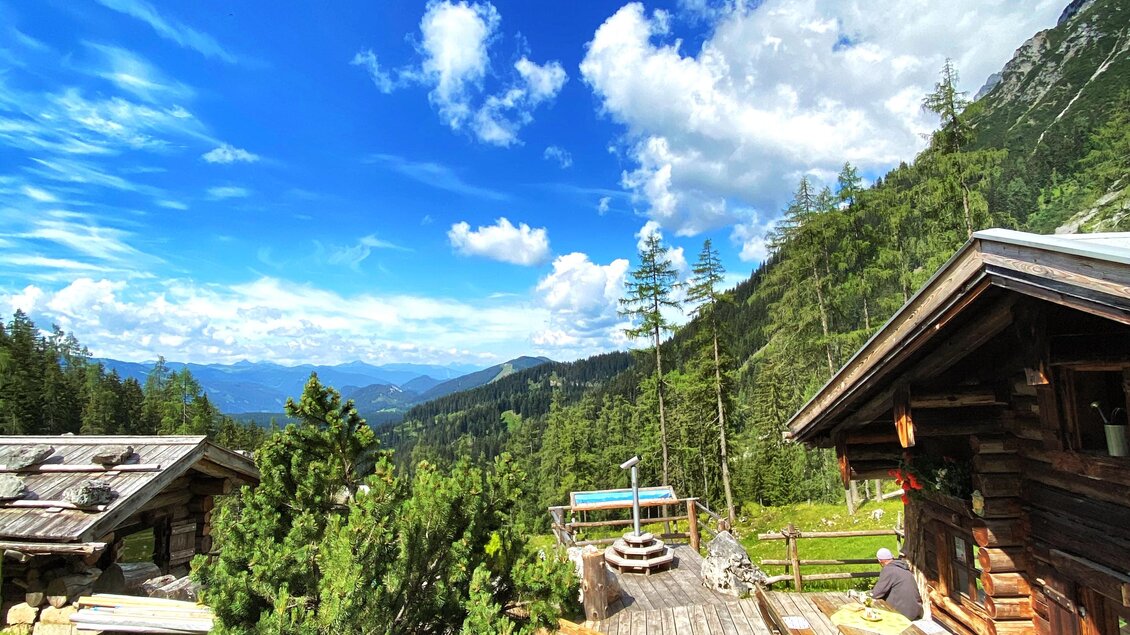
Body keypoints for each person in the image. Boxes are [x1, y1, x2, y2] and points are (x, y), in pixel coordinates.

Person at [870, 547, 923, 620]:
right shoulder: (903, 568)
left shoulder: (888, 570)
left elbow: (877, 593)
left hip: (902, 614)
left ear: (880, 561)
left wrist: (868, 594)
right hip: (914, 611)